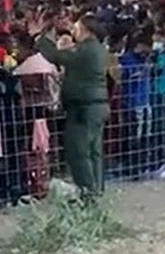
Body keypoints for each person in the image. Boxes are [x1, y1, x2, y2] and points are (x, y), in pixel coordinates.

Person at [34, 13, 109, 199]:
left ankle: (87, 194)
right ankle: (96, 192)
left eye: (76, 28)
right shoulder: (98, 49)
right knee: (94, 153)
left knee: (80, 152)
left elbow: (55, 55)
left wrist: (41, 37)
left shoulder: (86, 50)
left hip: (83, 108)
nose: (73, 32)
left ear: (86, 30)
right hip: (95, 106)